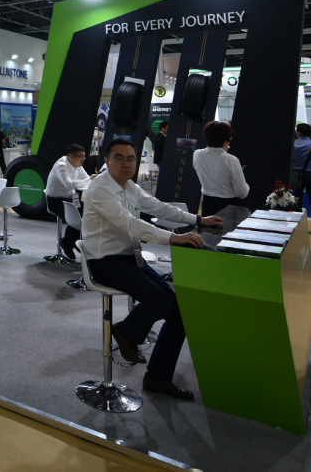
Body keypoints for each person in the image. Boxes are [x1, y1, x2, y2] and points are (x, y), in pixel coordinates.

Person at [83, 136, 222, 399]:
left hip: (130, 257)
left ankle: (157, 377)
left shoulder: (130, 187)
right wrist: (173, 238)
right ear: (107, 161)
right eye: (119, 158)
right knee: (161, 302)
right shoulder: (99, 189)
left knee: (178, 311)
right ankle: (124, 332)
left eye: (131, 159)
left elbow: (159, 208)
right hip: (105, 262)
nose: (126, 164)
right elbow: (130, 224)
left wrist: (198, 219)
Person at [45, 144, 93, 259]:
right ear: (71, 156)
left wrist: (91, 179)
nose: (83, 160)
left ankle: (74, 241)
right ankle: (68, 243)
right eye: (81, 157)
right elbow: (69, 184)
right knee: (75, 216)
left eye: (84, 157)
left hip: (71, 199)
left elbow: (86, 179)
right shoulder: (61, 166)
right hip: (56, 202)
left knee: (88, 211)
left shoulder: (78, 166)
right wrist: (89, 179)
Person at [194, 120, 250, 216]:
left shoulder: (197, 154)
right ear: (226, 140)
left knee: (207, 226)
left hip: (207, 204)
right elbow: (242, 193)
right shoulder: (231, 160)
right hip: (229, 207)